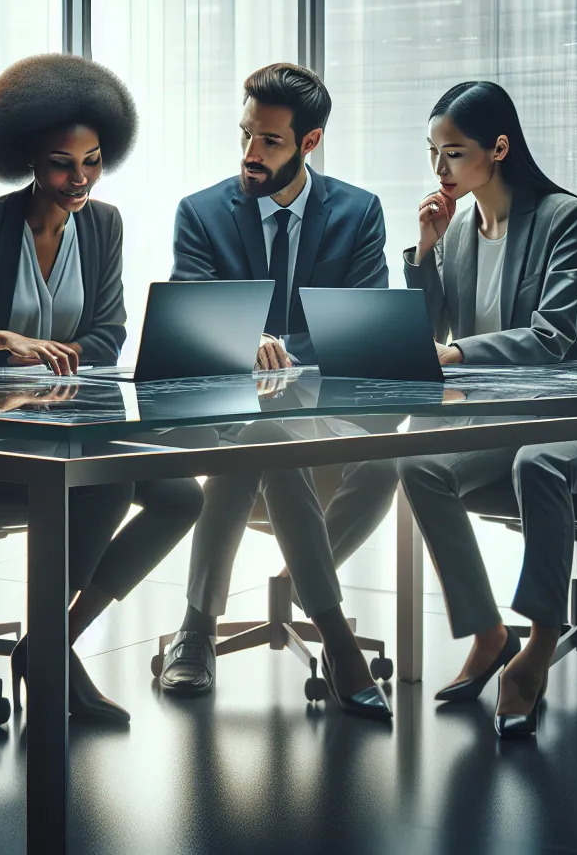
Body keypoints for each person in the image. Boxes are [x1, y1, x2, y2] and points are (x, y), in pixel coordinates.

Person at [0, 53, 202, 725]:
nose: (80, 178)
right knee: (109, 480)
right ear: (29, 159)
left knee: (180, 495)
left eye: (93, 161)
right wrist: (3, 340)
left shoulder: (103, 224)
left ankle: (51, 640)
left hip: (57, 421)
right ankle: (55, 661)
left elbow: (107, 333)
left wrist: (53, 375)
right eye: (65, 163)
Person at [155, 62, 397, 721]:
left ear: (309, 143)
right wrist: (245, 343)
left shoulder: (358, 212)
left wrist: (289, 355)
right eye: (245, 136)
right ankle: (337, 638)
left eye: (269, 141)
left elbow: (363, 320)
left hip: (316, 414)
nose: (250, 154)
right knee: (264, 438)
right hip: (225, 416)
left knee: (390, 461)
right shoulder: (202, 213)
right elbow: (196, 317)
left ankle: (210, 623)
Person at [393, 80, 577, 738]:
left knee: (539, 463)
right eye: (433, 154)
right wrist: (427, 251)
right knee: (419, 464)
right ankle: (489, 632)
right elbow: (429, 330)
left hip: (573, 416)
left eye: (453, 154)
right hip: (498, 416)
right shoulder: (460, 229)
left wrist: (458, 354)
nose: (439, 170)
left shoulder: (562, 216)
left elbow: (555, 336)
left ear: (498, 147)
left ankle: (538, 648)